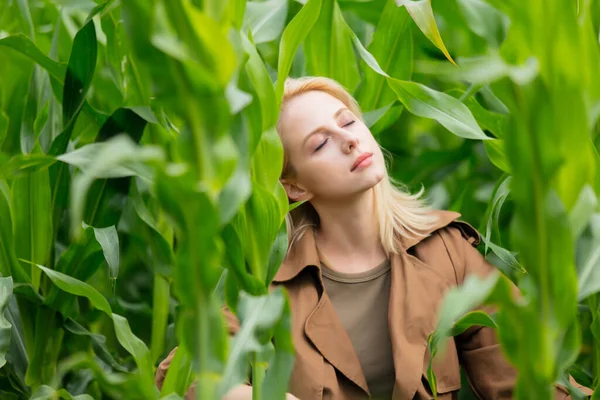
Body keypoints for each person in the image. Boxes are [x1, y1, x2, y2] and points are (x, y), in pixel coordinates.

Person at [155, 76, 591, 399]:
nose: (348, 139)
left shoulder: (447, 252)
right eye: (320, 143)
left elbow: (531, 379)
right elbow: (183, 374)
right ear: (295, 187)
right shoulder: (268, 282)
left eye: (348, 121)